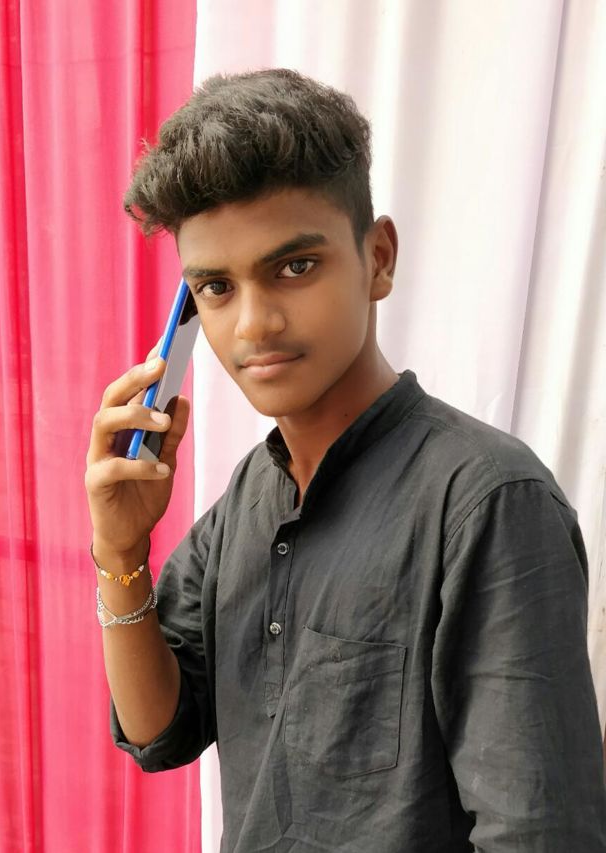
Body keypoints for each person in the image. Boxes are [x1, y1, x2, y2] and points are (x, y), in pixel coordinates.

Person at [85, 69, 606, 852]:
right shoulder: (248, 498)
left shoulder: (489, 502)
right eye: (217, 287)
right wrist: (120, 550)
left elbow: (540, 831)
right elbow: (160, 729)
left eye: (294, 266)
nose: (254, 324)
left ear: (379, 258)